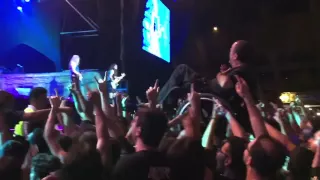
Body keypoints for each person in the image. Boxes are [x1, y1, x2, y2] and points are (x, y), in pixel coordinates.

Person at [158, 40, 257, 132]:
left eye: (231, 49)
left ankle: (157, 104)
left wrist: (221, 74)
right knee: (178, 86)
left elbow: (224, 83)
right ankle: (164, 105)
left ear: (235, 56)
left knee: (182, 69)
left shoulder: (241, 71)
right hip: (208, 90)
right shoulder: (244, 71)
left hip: (207, 91)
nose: (229, 52)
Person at [112, 109, 170, 180]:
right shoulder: (171, 162)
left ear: (138, 130)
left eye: (134, 121)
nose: (131, 123)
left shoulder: (127, 165)